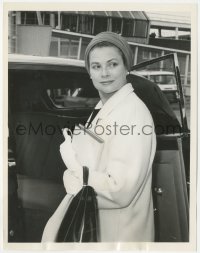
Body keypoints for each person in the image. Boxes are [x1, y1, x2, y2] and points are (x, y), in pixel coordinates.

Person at [58, 32, 156, 242]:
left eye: (112, 64)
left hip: (119, 233)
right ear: (89, 73)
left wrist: (75, 173)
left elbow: (119, 190)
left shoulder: (133, 113)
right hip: (101, 226)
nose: (104, 73)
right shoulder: (104, 107)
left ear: (126, 67)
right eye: (96, 66)